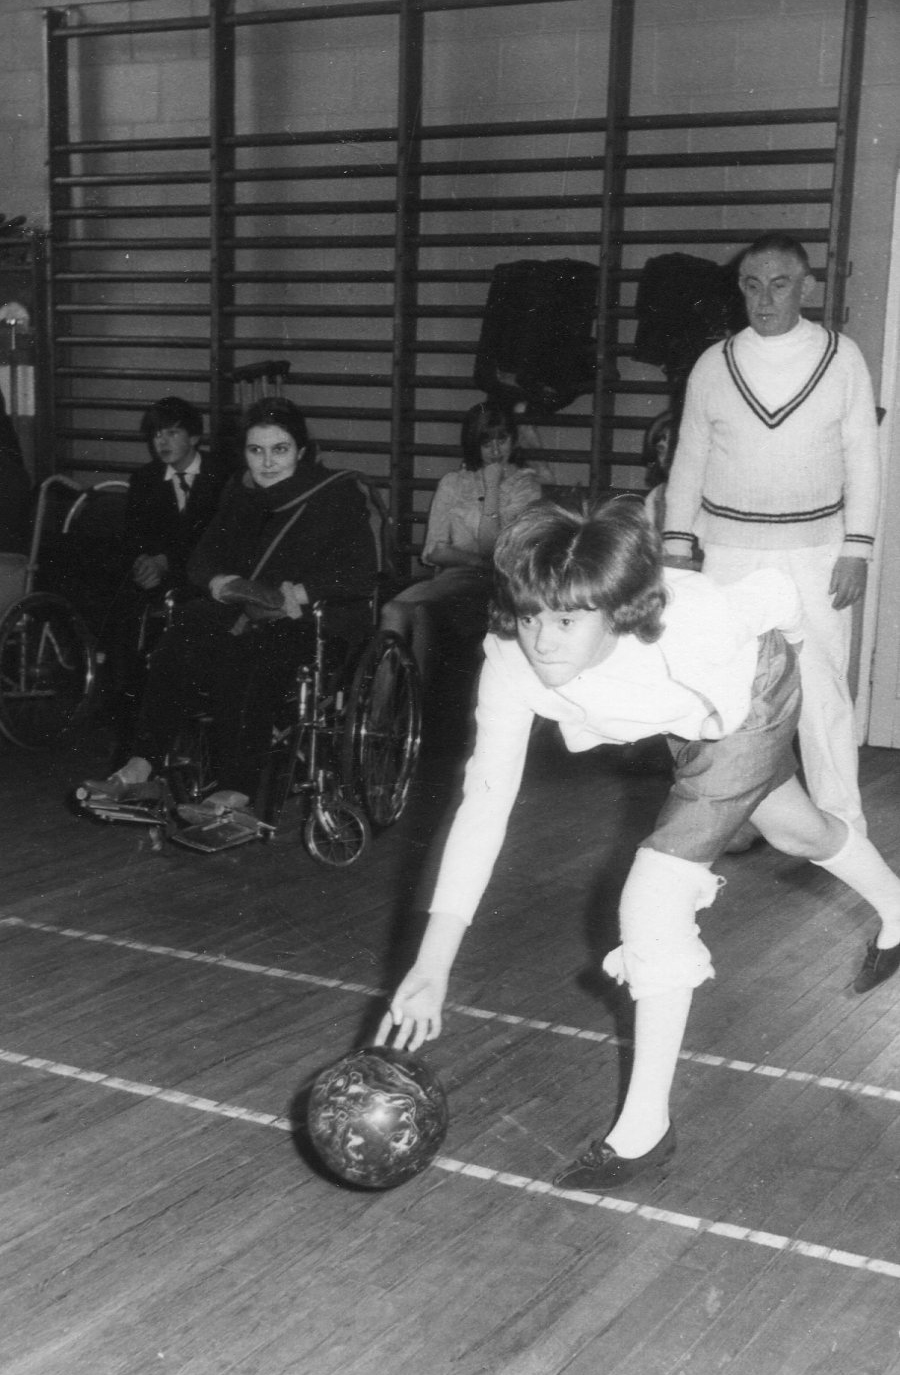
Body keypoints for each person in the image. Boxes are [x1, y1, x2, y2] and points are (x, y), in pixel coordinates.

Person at [376, 499, 900, 1191]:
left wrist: (809, 702)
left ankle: (643, 1131)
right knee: (791, 828)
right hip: (688, 721)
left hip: (752, 691)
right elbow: (484, 805)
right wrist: (431, 963)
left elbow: (778, 595)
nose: (544, 640)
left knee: (654, 895)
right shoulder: (507, 661)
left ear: (615, 610)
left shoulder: (694, 621)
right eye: (531, 617)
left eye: (567, 620)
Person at [661, 231, 880, 836]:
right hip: (729, 554)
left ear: (806, 286)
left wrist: (858, 548)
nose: (764, 299)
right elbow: (689, 459)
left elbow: (864, 458)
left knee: (822, 693)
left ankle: (844, 824)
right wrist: (677, 548)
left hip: (816, 553)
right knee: (723, 688)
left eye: (779, 284)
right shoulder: (714, 364)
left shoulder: (843, 358)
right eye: (751, 285)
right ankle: (726, 821)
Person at [81, 397, 377, 813]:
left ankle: (237, 787)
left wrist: (298, 593)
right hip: (245, 606)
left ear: (303, 451)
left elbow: (360, 575)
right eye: (256, 451)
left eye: (280, 450)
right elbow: (202, 558)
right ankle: (140, 765)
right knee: (181, 630)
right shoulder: (240, 492)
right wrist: (220, 581)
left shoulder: (336, 494)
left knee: (248, 654)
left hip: (311, 617)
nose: (267, 463)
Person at [379, 399, 541, 687]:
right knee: (392, 610)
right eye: (485, 441)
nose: (494, 450)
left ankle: (419, 706)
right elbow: (434, 551)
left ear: (513, 440)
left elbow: (495, 548)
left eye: (501, 439)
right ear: (473, 444)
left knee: (422, 614)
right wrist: (474, 559)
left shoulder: (525, 485)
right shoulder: (453, 482)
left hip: (497, 583)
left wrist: (492, 487)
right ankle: (380, 716)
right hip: (454, 577)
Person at [107, 397, 231, 733]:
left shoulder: (224, 477)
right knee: (123, 607)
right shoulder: (145, 479)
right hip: (159, 576)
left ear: (193, 438)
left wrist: (166, 561)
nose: (161, 442)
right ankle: (129, 704)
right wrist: (142, 562)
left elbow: (217, 539)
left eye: (172, 433)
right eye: (156, 435)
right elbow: (134, 535)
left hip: (206, 574)